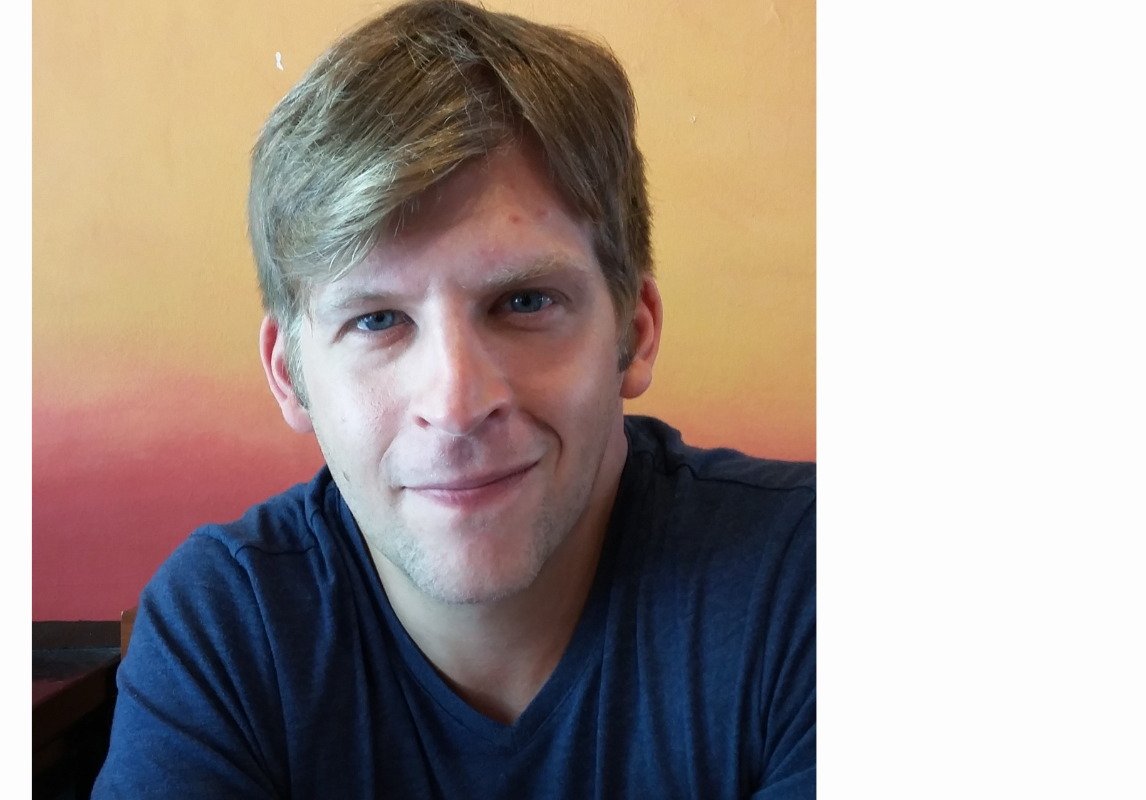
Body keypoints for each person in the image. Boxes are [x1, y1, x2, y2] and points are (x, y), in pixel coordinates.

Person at [93, 1, 814, 797]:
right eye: (376, 320)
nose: (458, 402)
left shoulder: (811, 580)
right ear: (289, 374)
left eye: (526, 302)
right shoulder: (227, 629)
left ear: (635, 333)